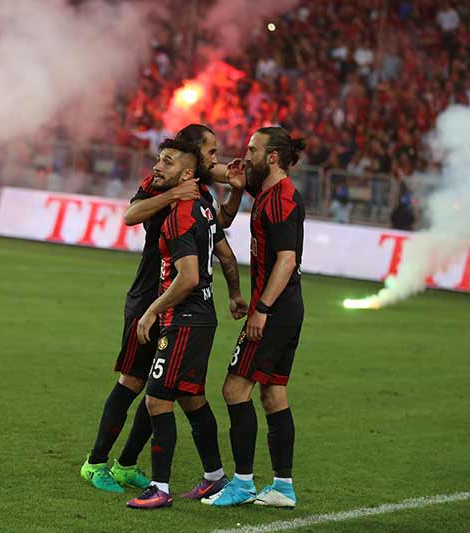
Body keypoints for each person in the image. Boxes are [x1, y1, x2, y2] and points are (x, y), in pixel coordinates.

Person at [80, 124, 246, 494]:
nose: (215, 158)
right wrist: (173, 194)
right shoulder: (163, 178)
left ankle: (125, 463)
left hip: (176, 303)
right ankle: (95, 462)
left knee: (162, 386)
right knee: (134, 381)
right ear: (194, 153)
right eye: (210, 151)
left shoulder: (199, 189)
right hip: (148, 298)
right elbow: (131, 215)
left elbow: (221, 228)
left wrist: (235, 190)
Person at [127, 138, 246, 509]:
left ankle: (159, 488)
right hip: (202, 317)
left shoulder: (180, 213)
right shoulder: (204, 208)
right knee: (192, 399)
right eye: (158, 159)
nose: (159, 166)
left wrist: (151, 310)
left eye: (169, 161)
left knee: (156, 400)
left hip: (185, 319)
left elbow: (189, 276)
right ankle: (214, 477)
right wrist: (235, 294)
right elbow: (226, 256)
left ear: (188, 173)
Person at [204, 126, 305, 509]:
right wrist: (197, 164)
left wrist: (261, 309)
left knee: (234, 389)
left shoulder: (281, 200)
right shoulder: (265, 190)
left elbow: (286, 260)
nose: (245, 156)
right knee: (273, 392)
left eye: (252, 149)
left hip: (275, 310)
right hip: (287, 307)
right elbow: (222, 174)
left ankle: (243, 483)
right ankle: (283, 487)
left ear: (273, 157)